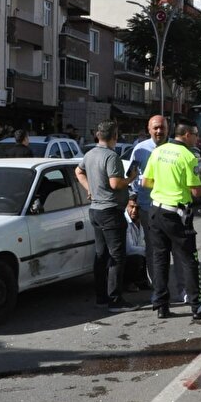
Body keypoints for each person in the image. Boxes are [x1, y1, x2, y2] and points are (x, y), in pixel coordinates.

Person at [141, 120, 201, 320]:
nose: (199, 139)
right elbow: (196, 191)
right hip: (176, 214)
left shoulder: (158, 151)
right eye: (196, 135)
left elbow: (146, 182)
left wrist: (165, 185)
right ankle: (197, 306)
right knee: (189, 260)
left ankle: (161, 305)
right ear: (187, 135)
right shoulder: (188, 157)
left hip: (156, 210)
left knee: (160, 259)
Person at [74, 121, 139, 312]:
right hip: (110, 211)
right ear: (115, 136)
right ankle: (115, 300)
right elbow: (115, 183)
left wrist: (91, 190)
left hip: (95, 210)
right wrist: (131, 178)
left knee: (101, 255)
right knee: (117, 256)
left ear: (97, 135)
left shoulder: (90, 154)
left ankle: (101, 297)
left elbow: (78, 171)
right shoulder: (112, 156)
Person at [127, 115, 168, 291]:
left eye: (162, 128)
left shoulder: (174, 148)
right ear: (149, 129)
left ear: (168, 128)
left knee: (172, 248)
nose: (159, 131)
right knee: (153, 248)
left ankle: (180, 289)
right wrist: (132, 198)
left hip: (170, 206)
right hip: (147, 206)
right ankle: (158, 287)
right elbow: (132, 176)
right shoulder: (140, 149)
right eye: (155, 128)